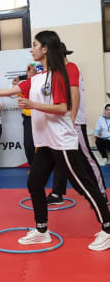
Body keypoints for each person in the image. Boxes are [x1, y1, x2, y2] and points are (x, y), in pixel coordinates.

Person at [0, 30, 110, 251]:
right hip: (45, 142)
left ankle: (108, 229)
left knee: (83, 186)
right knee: (34, 183)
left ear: (45, 49)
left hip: (62, 141)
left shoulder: (60, 74)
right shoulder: (35, 79)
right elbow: (9, 91)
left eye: (34, 45)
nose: (31, 49)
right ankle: (42, 231)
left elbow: (63, 108)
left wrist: (33, 106)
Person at [47, 43, 108, 205]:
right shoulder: (59, 71)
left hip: (74, 122)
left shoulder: (71, 68)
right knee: (62, 157)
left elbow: (75, 97)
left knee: (87, 158)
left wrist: (72, 120)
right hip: (64, 121)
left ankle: (101, 193)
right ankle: (57, 193)